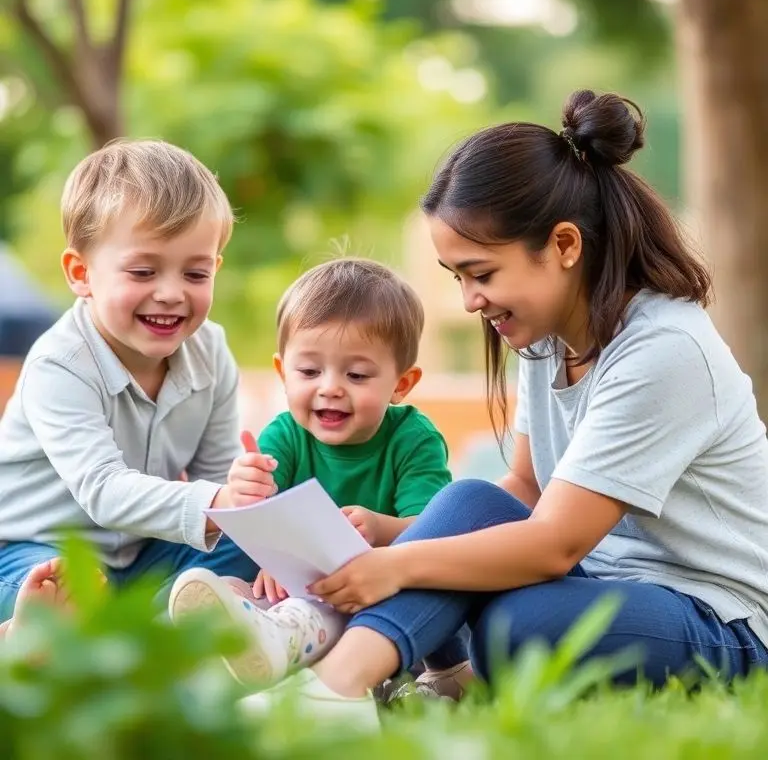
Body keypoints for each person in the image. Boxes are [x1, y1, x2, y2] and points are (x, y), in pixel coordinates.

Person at [241, 89, 768, 727]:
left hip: (721, 615)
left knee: (518, 628)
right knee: (471, 504)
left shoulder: (664, 351)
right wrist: (391, 531)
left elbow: (553, 544)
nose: (469, 301)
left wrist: (396, 563)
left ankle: (335, 671)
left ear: (565, 245)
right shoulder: (546, 339)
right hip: (602, 581)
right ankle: (337, 683)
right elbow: (522, 489)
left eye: (481, 274)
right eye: (456, 275)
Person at [169, 258, 472, 700]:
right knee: (235, 585)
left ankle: (425, 677)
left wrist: (382, 528)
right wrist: (244, 487)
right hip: (299, 589)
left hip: (388, 593)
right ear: (282, 373)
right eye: (309, 372)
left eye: (357, 375)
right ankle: (234, 648)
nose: (330, 387)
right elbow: (258, 516)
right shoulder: (284, 435)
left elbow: (435, 532)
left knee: (407, 603)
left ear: (401, 384)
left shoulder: (413, 439)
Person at [0, 140, 259, 622]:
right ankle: (33, 636)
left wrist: (240, 496)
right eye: (143, 271)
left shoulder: (212, 350)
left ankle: (143, 631)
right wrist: (217, 499)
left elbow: (216, 474)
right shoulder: (60, 364)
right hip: (35, 550)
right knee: (60, 586)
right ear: (82, 273)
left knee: (247, 548)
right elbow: (103, 490)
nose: (170, 293)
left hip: (143, 556)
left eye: (196, 273)